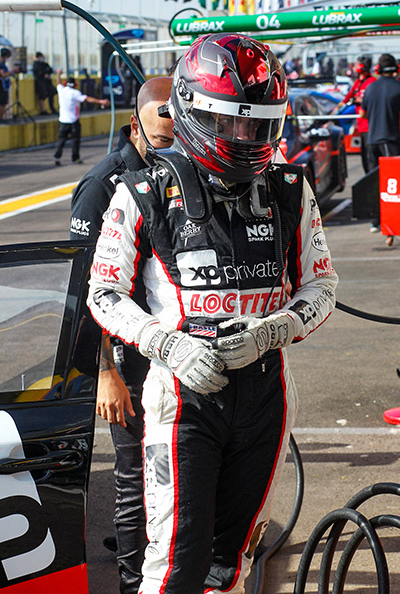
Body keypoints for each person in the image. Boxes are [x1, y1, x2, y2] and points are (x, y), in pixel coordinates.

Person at [87, 33, 338, 594]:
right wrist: (167, 344)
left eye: (259, 126)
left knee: (232, 560)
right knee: (174, 562)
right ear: (193, 113)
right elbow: (102, 292)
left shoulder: (290, 189)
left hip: (267, 394)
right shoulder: (141, 191)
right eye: (229, 123)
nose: (246, 139)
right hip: (182, 398)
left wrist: (273, 330)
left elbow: (323, 285)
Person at [71, 76, 174, 594]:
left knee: (170, 473)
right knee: (137, 473)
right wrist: (105, 372)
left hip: (170, 348)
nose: (173, 145)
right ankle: (134, 583)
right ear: (135, 125)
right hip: (126, 355)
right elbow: (84, 293)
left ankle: (155, 556)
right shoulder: (102, 184)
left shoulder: (176, 171)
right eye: (162, 137)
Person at [360, 53, 400, 235]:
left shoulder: (370, 88)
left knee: (375, 181)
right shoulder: (397, 87)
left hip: (372, 140)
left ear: (378, 69)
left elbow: (363, 114)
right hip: (390, 140)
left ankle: (375, 221)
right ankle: (393, 221)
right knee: (393, 182)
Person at [54, 69, 110, 166]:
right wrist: (101, 101)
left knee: (61, 140)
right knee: (75, 141)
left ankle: (57, 157)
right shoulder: (75, 93)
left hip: (63, 121)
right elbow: (87, 99)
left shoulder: (61, 90)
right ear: (75, 84)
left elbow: (58, 83)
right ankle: (75, 158)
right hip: (74, 121)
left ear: (65, 84)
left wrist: (58, 74)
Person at [333, 56, 376, 174]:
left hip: (370, 126)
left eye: (356, 64)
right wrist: (335, 110)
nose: (354, 67)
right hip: (361, 126)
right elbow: (346, 99)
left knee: (371, 158)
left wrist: (361, 100)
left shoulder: (372, 82)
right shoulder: (357, 83)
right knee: (365, 158)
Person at [0, 48, 12, 121]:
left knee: (4, 103)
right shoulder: (0, 65)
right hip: (1, 86)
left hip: (4, 87)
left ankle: (2, 117)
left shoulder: (4, 65)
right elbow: (3, 75)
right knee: (1, 103)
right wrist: (12, 72)